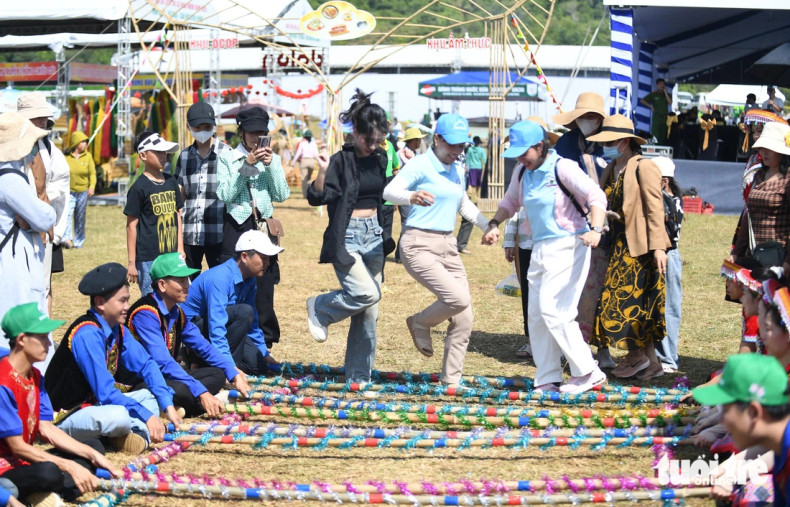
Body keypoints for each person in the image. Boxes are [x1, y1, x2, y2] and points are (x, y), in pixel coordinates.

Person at [482, 120, 607, 394]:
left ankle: (588, 372)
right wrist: (494, 224)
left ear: (540, 147)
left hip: (569, 244)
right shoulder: (521, 172)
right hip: (539, 248)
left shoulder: (563, 167)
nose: (519, 158)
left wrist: (596, 230)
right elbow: (510, 202)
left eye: (523, 152)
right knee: (537, 315)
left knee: (556, 310)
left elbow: (595, 196)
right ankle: (548, 377)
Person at [382, 113, 490, 388]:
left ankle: (451, 380)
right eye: (451, 144)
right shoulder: (420, 165)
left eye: (461, 145)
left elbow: (463, 202)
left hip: (448, 246)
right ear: (437, 139)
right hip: (418, 245)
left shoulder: (457, 168)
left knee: (465, 317)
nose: (456, 151)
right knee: (457, 298)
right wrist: (411, 197)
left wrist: (487, 226)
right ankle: (419, 322)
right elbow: (389, 191)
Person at [45, 263, 181, 454]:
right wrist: (148, 416)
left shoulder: (117, 330)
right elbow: (106, 393)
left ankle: (127, 435)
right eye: (122, 301)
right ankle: (132, 432)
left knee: (152, 395)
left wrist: (168, 406)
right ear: (100, 302)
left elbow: (147, 364)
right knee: (118, 416)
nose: (127, 307)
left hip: (94, 407)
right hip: (64, 415)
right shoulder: (87, 334)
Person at [305, 89, 394, 382]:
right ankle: (320, 307)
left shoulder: (381, 158)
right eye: (369, 139)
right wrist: (321, 171)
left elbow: (388, 197)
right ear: (354, 132)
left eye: (379, 140)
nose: (373, 145)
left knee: (369, 312)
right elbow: (318, 197)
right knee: (367, 293)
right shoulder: (339, 161)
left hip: (375, 237)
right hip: (348, 237)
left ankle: (359, 377)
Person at [0, 303, 121, 506]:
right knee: (50, 472)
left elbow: (46, 429)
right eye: (42, 337)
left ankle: (39, 492)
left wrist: (90, 454)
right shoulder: (3, 383)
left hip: (23, 463)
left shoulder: (35, 377)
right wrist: (69, 466)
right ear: (21, 340)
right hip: (5, 466)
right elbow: (18, 447)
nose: (49, 343)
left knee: (93, 446)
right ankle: (16, 492)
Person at [587, 115, 671, 381]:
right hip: (615, 246)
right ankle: (652, 362)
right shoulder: (611, 167)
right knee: (635, 306)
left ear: (624, 142)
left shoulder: (643, 167)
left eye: (610, 141)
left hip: (639, 249)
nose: (606, 146)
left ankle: (637, 357)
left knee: (624, 304)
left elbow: (655, 208)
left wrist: (659, 247)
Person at [126, 253, 251, 417]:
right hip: (140, 381)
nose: (188, 285)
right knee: (184, 390)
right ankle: (193, 404)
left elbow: (204, 346)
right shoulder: (145, 313)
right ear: (162, 284)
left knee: (218, 375)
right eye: (181, 280)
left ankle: (180, 406)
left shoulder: (176, 313)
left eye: (187, 279)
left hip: (165, 376)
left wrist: (233, 373)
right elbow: (163, 362)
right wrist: (201, 392)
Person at [217, 107, 290, 349]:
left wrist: (271, 166)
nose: (256, 137)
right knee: (235, 283)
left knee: (264, 286)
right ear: (241, 132)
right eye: (251, 132)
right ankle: (234, 340)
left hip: (263, 228)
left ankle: (264, 344)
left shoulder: (274, 159)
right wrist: (246, 167)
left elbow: (281, 194)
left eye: (261, 132)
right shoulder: (227, 157)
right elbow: (226, 195)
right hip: (236, 226)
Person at [692, 354, 790, 504]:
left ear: (754, 412)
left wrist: (736, 474)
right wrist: (730, 468)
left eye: (726, 411)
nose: (723, 421)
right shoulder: (780, 443)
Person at [183, 230, 282, 376]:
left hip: (220, 326)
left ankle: (211, 364)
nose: (267, 263)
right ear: (244, 257)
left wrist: (263, 352)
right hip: (195, 331)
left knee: (258, 367)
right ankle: (199, 359)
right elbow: (216, 327)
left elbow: (252, 322)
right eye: (263, 258)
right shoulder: (220, 278)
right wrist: (230, 369)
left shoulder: (250, 279)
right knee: (244, 311)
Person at [0, 112, 56, 353]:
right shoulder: (10, 179)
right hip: (14, 262)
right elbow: (45, 217)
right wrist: (39, 215)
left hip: (13, 258)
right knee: (23, 318)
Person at [16, 92, 70, 319]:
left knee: (43, 285)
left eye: (43, 118)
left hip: (43, 229)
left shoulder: (49, 149)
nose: (41, 122)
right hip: (14, 230)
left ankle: (43, 337)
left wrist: (42, 200)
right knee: (18, 285)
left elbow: (62, 181)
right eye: (36, 117)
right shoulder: (11, 148)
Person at [124, 132, 184, 296]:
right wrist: (131, 263)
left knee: (174, 296)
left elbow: (177, 215)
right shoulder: (138, 188)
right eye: (157, 152)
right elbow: (131, 227)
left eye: (164, 152)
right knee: (152, 298)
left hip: (171, 253)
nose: (163, 156)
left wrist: (180, 248)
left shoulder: (171, 182)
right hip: (149, 258)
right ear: (143, 155)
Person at [175, 102, 231, 275]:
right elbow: (181, 195)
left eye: (206, 127)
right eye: (197, 127)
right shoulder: (184, 156)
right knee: (188, 283)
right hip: (189, 232)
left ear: (213, 126)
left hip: (218, 232)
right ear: (188, 127)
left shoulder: (227, 154)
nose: (202, 131)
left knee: (220, 280)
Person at [731, 122, 790, 273]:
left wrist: (788, 262)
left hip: (780, 257)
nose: (764, 152)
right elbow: (748, 217)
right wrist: (736, 252)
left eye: (769, 149)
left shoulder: (788, 179)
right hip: (755, 253)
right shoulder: (758, 175)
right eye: (762, 148)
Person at [652, 157, 684, 373]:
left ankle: (668, 358)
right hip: (667, 256)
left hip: (666, 256)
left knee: (668, 308)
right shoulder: (671, 198)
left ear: (664, 180)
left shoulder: (666, 201)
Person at [552, 92, 608, 183]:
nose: (585, 120)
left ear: (600, 118)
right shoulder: (566, 141)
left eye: (590, 116)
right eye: (580, 116)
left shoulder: (610, 142)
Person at [394, 128, 426, 262]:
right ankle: (401, 254)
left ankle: (404, 253)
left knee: (413, 224)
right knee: (407, 224)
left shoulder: (418, 157)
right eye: (419, 139)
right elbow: (395, 175)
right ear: (413, 140)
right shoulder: (399, 155)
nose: (420, 142)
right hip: (404, 195)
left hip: (416, 196)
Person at [63, 131, 95, 249]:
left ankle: (78, 241)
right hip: (69, 191)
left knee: (79, 216)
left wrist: (92, 186)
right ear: (76, 143)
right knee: (67, 214)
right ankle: (66, 239)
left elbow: (92, 174)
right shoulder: (66, 157)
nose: (85, 144)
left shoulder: (88, 156)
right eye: (82, 141)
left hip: (83, 192)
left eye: (86, 141)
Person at [640, 78, 673, 145]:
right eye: (660, 84)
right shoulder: (654, 94)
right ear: (657, 85)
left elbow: (670, 102)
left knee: (663, 136)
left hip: (665, 117)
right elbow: (642, 101)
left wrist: (665, 92)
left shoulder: (667, 95)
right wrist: (650, 106)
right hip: (657, 117)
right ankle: (655, 149)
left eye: (663, 84)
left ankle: (662, 149)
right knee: (655, 135)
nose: (662, 86)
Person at [292, 129, 319, 198]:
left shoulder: (302, 143)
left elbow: (298, 154)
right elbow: (316, 154)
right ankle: (310, 193)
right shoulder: (313, 144)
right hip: (311, 162)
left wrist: (293, 162)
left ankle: (305, 195)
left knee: (304, 178)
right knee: (309, 178)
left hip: (304, 161)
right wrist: (319, 162)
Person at [465, 136, 487, 202]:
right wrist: (486, 166)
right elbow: (485, 159)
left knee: (470, 182)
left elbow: (468, 159)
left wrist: (466, 166)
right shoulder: (482, 150)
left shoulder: (470, 150)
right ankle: (477, 195)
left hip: (472, 167)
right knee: (478, 182)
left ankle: (470, 193)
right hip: (479, 168)